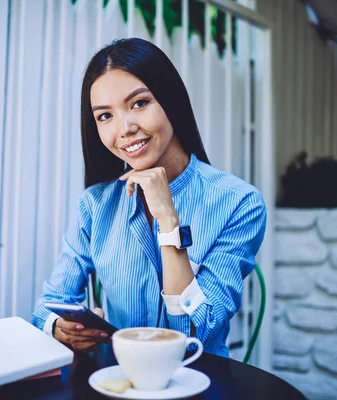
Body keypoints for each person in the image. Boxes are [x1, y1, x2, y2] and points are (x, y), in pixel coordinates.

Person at [31, 38, 266, 357]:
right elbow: (44, 310)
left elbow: (194, 334)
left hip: (199, 381)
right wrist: (60, 328)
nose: (124, 128)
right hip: (117, 380)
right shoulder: (94, 206)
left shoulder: (239, 203)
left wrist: (169, 221)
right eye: (105, 116)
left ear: (170, 101)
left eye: (139, 103)